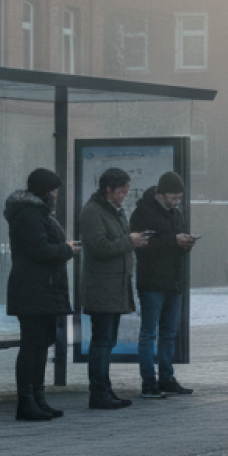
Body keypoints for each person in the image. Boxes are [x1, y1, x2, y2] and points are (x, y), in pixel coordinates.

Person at [5, 168, 77, 422]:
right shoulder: (29, 214)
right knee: (32, 346)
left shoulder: (38, 213)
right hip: (33, 289)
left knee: (40, 345)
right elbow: (39, 250)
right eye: (54, 189)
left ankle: (38, 398)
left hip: (43, 289)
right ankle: (26, 402)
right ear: (45, 190)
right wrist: (66, 248)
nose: (56, 194)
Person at [78, 167, 145, 410]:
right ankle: (98, 391)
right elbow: (98, 246)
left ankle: (105, 389)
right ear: (108, 189)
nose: (124, 195)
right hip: (102, 287)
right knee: (102, 341)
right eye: (121, 191)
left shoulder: (115, 212)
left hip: (115, 287)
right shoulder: (93, 212)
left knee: (107, 340)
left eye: (127, 190)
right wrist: (130, 241)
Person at [130, 170, 197, 398]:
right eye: (173, 197)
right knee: (149, 333)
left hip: (173, 281)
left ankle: (167, 378)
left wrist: (186, 242)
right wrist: (174, 241)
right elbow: (143, 245)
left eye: (179, 197)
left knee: (169, 333)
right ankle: (149, 382)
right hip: (152, 281)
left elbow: (173, 243)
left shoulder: (176, 214)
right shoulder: (142, 212)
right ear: (161, 193)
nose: (176, 201)